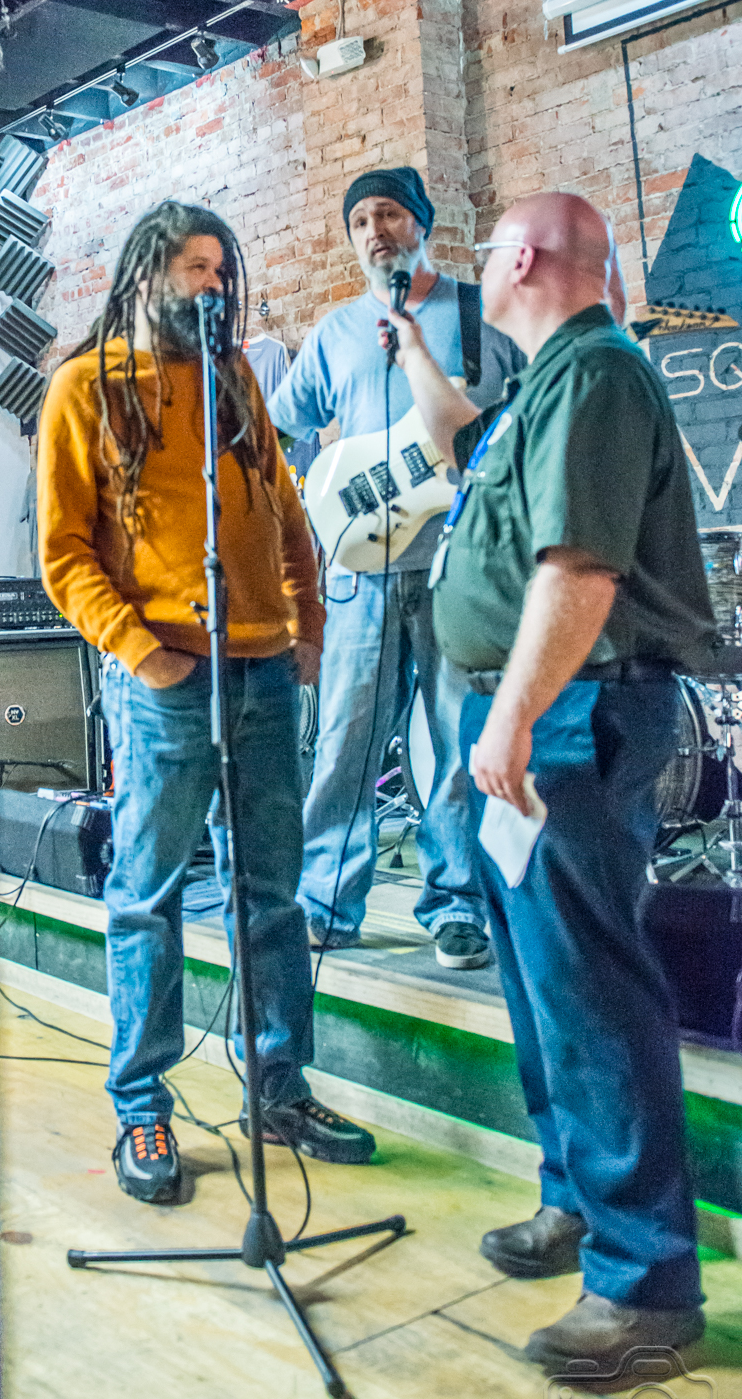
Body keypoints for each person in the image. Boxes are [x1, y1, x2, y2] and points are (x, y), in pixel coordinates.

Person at [385, 192, 716, 1369]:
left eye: (488, 250)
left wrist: (514, 714)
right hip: (537, 712)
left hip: (572, 711)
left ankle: (644, 1285)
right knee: (542, 982)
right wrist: (411, 346)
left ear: (520, 256)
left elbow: (578, 568)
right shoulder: (545, 387)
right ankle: (576, 1197)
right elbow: (459, 443)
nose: (477, 266)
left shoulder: (597, 374)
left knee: (590, 991)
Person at [37, 201, 376, 1207]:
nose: (215, 284)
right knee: (147, 898)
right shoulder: (86, 386)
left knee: (272, 894)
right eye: (196, 266)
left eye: (223, 268)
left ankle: (279, 1087)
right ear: (147, 272)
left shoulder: (233, 378)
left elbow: (284, 507)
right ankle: (141, 1104)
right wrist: (144, 655)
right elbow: (63, 552)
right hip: (166, 681)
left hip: (264, 669)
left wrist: (308, 623)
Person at [268, 166, 523, 969]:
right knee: (345, 742)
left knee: (455, 745)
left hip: (458, 569)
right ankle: (325, 900)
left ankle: (456, 904)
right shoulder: (335, 332)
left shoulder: (482, 317)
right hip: (357, 571)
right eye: (360, 221)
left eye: (388, 215)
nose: (374, 231)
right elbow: (279, 429)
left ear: (422, 224)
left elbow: (520, 429)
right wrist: (306, 503)